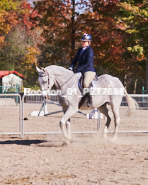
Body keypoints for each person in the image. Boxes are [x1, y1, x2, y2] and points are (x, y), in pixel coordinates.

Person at [69, 33, 96, 107]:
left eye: (85, 41)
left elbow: (88, 63)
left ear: (89, 42)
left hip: (89, 70)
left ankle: (90, 99)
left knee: (85, 83)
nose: (83, 43)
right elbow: (75, 60)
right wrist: (71, 67)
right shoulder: (80, 50)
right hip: (80, 70)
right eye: (82, 41)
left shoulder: (90, 51)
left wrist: (77, 69)